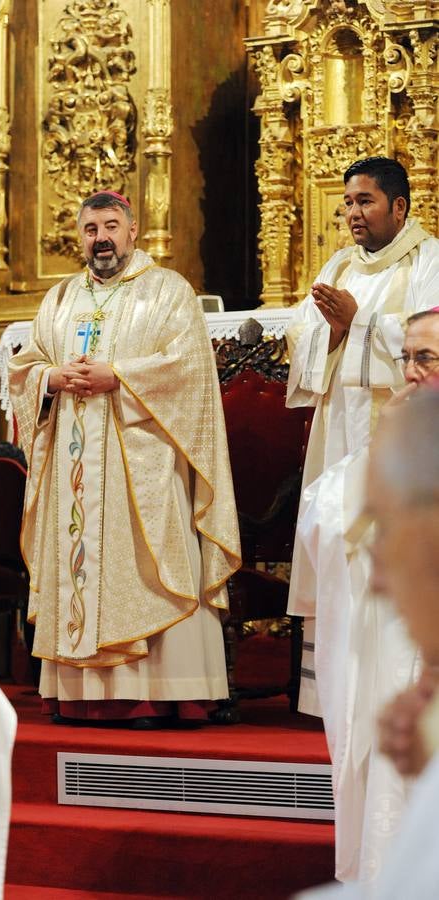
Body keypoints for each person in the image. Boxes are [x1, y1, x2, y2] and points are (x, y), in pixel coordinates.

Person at [9, 190, 241, 728]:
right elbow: (28, 366)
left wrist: (120, 377)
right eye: (91, 229)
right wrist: (51, 377)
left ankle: (160, 692)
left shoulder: (167, 292)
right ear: (80, 236)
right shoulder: (61, 298)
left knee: (147, 565)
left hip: (143, 462)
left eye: (111, 226)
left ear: (133, 230)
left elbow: (188, 371)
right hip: (75, 462)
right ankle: (81, 694)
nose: (102, 239)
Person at [285, 156, 439, 881]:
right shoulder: (338, 264)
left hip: (408, 452)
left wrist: (363, 324)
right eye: (347, 201)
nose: (353, 213)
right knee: (340, 540)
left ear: (400, 206)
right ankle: (343, 691)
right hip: (344, 440)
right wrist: (331, 329)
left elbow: (429, 345)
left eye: (366, 201)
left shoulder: (432, 259)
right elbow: (303, 347)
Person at [295, 387, 439, 899]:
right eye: (408, 359)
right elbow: (326, 517)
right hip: (382, 653)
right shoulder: (374, 461)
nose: (413, 374)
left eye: (428, 357)